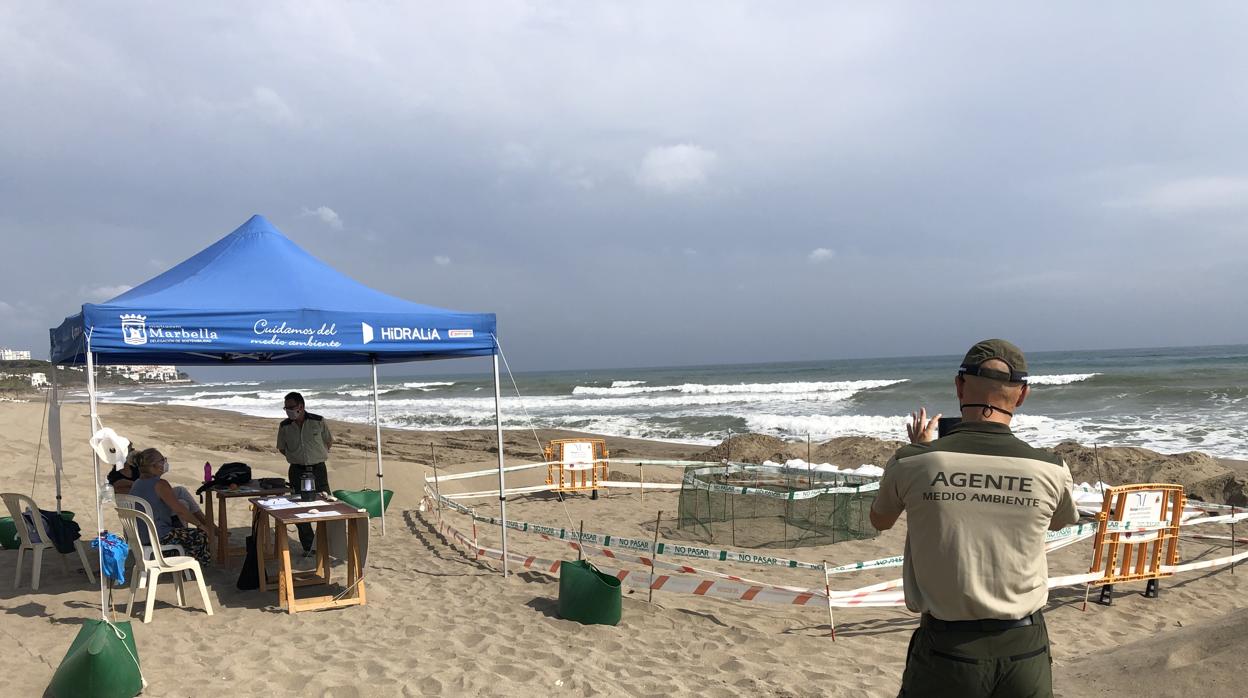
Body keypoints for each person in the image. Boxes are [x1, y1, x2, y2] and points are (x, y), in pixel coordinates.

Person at [870, 339, 1079, 698]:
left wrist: (922, 447)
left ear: (959, 386)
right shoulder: (1051, 469)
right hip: (1023, 647)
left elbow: (880, 520)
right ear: (1023, 394)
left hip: (948, 650)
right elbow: (1058, 522)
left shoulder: (913, 462)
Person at [129, 448, 215, 565]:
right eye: (162, 460)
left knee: (181, 507)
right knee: (200, 535)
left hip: (140, 536)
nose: (165, 462)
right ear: (154, 466)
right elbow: (181, 511)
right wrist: (201, 526)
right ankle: (191, 566)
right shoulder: (160, 484)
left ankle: (175, 558)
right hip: (158, 536)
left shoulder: (137, 483)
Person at [276, 391, 333, 555]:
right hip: (297, 470)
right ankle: (309, 546)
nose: (288, 410)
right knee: (298, 508)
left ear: (301, 406)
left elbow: (328, 441)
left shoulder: (318, 421)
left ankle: (327, 543)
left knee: (326, 504)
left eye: (291, 407)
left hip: (318, 469)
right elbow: (281, 447)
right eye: (286, 408)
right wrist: (296, 456)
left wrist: (315, 455)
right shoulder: (285, 426)